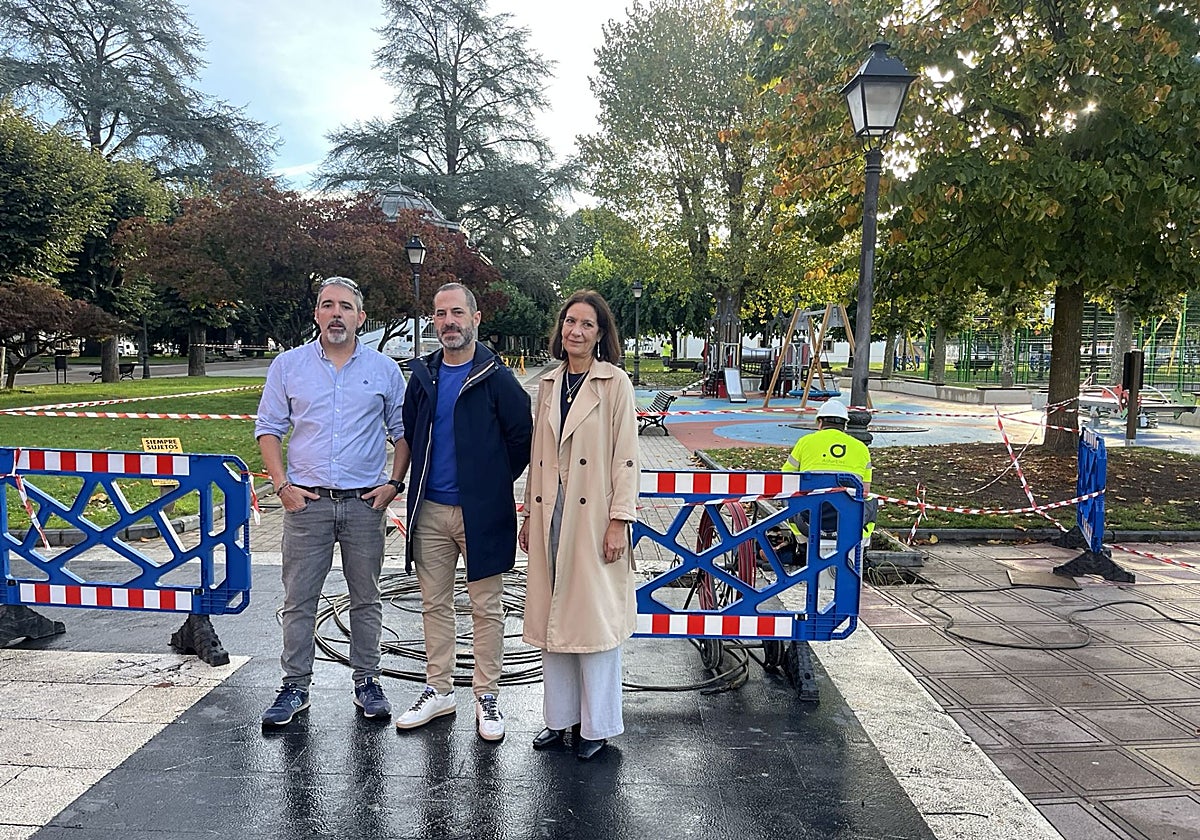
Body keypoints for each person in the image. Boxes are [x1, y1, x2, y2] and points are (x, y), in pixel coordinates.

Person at [256, 276, 407, 727]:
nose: (336, 313)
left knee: (366, 598)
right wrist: (282, 485)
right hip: (308, 504)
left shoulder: (384, 370)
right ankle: (294, 686)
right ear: (317, 314)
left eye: (345, 306)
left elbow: (403, 432)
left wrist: (394, 484)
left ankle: (368, 681)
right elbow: (268, 428)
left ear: (361, 317)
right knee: (300, 599)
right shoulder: (288, 366)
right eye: (327, 305)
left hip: (365, 504)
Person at [391, 282, 532, 742]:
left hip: (481, 513)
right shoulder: (424, 375)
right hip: (429, 509)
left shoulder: (497, 377)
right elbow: (410, 434)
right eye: (440, 314)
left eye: (456, 313)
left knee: (486, 607)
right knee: (434, 605)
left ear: (475, 318)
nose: (448, 321)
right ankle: (439, 689)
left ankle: (486, 694)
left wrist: (489, 484)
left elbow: (521, 441)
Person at [519, 289, 640, 761]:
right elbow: (538, 455)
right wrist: (529, 513)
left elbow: (627, 457)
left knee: (593, 624)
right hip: (552, 511)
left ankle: (597, 726)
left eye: (587, 324)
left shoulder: (615, 384)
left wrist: (619, 521)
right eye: (571, 321)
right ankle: (560, 719)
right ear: (561, 328)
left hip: (593, 517)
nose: (576, 331)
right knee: (555, 620)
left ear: (601, 333)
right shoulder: (548, 384)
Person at [781, 399, 875, 542]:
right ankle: (861, 549)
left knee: (788, 499)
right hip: (848, 521)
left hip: (809, 520)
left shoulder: (805, 442)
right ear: (844, 425)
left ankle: (802, 544)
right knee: (872, 501)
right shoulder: (861, 448)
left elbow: (786, 478)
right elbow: (865, 490)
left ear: (820, 422)